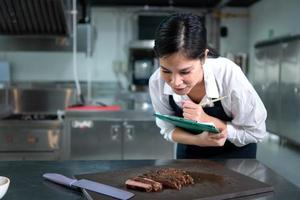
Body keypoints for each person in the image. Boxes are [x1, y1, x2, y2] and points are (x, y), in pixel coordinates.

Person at [149, 13, 267, 159]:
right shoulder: (157, 82)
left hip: (236, 155)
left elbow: (256, 132)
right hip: (190, 153)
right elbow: (167, 129)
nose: (175, 82)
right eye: (166, 70)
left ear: (203, 57)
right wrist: (198, 140)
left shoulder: (227, 74)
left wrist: (207, 120)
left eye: (185, 71)